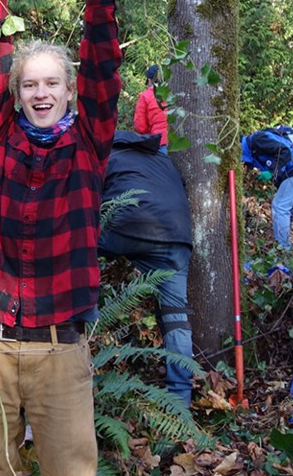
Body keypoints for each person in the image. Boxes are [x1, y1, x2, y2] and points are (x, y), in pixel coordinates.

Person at [0, 0, 122, 476]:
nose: (41, 93)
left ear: (69, 91)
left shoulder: (88, 144)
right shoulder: (2, 136)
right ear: (19, 93)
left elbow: (102, 65)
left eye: (52, 82)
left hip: (60, 346)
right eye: (30, 84)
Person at [98, 130, 194, 405]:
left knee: (76, 258)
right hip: (177, 236)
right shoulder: (161, 159)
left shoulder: (103, 154)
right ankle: (181, 402)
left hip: (126, 227)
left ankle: (79, 348)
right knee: (175, 314)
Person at [241, 125, 293, 250]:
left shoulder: (257, 140)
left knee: (280, 206)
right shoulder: (253, 148)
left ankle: (283, 248)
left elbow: (285, 152)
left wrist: (272, 171)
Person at [134, 64, 168, 153]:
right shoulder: (170, 93)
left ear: (149, 80)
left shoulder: (145, 96)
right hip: (173, 139)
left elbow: (140, 126)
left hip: (157, 141)